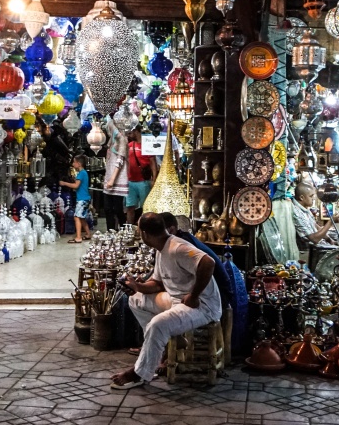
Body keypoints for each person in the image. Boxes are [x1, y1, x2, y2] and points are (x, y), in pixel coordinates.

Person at [111, 213, 221, 389]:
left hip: (202, 306)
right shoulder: (161, 249)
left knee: (158, 324)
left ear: (144, 233)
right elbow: (157, 284)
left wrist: (193, 295)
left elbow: (208, 263)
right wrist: (137, 286)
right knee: (136, 300)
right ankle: (162, 347)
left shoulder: (177, 247)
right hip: (176, 301)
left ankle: (139, 373)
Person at [293, 180, 339, 250]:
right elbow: (314, 239)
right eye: (311, 196)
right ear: (302, 198)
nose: (313, 198)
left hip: (318, 244)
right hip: (309, 249)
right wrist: (331, 222)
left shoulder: (305, 209)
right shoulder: (297, 212)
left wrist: (330, 240)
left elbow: (316, 226)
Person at [124, 127, 158, 224]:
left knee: (145, 207)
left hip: (143, 181)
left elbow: (153, 163)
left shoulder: (147, 145)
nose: (129, 135)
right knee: (130, 207)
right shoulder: (129, 145)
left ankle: (144, 229)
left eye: (131, 132)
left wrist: (154, 179)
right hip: (130, 181)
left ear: (137, 131)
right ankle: (129, 228)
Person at [101, 118, 129, 231]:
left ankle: (122, 232)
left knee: (117, 209)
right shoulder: (112, 141)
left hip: (118, 179)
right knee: (108, 208)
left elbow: (120, 161)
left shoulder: (122, 139)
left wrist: (112, 179)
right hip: (109, 177)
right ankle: (110, 232)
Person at [60, 155, 93, 243]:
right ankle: (88, 234)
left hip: (82, 199)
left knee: (77, 217)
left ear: (79, 164)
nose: (73, 164)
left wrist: (64, 183)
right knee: (82, 217)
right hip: (85, 198)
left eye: (74, 162)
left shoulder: (81, 173)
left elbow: (76, 186)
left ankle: (78, 237)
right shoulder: (84, 173)